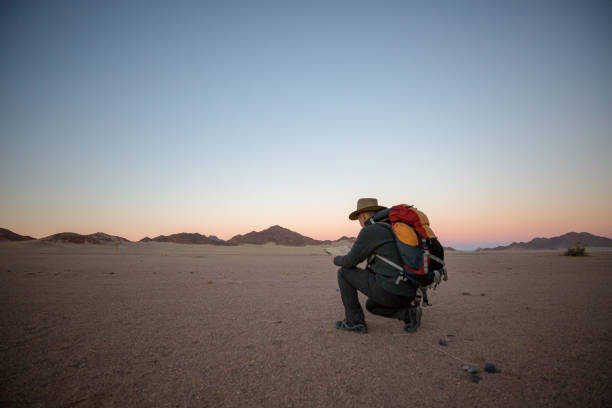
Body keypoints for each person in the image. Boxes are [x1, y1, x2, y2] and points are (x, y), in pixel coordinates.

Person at [332, 198, 422, 333]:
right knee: (372, 306)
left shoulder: (370, 230)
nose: (360, 223)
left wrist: (336, 259)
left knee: (343, 272)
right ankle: (408, 314)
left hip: (391, 291)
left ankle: (354, 322)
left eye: (358, 219)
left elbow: (349, 261)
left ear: (363, 216)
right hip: (410, 291)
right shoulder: (392, 227)